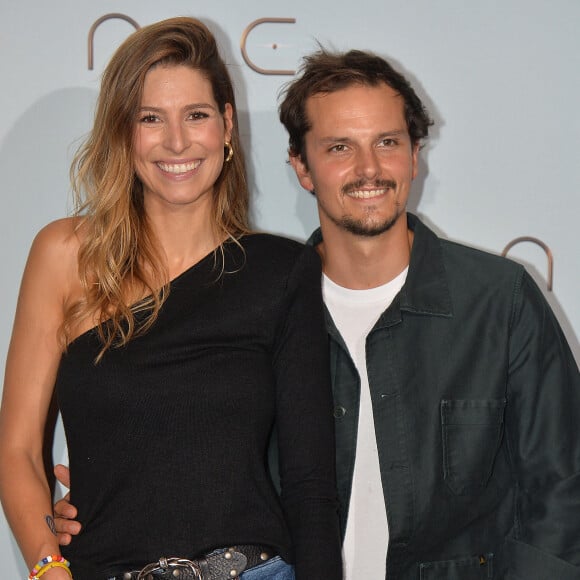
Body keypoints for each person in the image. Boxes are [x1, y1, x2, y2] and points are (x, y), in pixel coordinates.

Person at [53, 47, 580, 578]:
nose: (369, 168)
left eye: (388, 143)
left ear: (415, 155)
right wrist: (105, 500)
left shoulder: (499, 302)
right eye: (339, 148)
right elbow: (200, 452)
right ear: (301, 167)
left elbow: (563, 490)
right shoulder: (264, 297)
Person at [0, 18, 342, 580]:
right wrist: (47, 567)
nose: (177, 141)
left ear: (227, 125)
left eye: (197, 116)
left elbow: (310, 483)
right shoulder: (65, 255)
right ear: (122, 132)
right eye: (150, 118)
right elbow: (17, 452)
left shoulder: (282, 271)